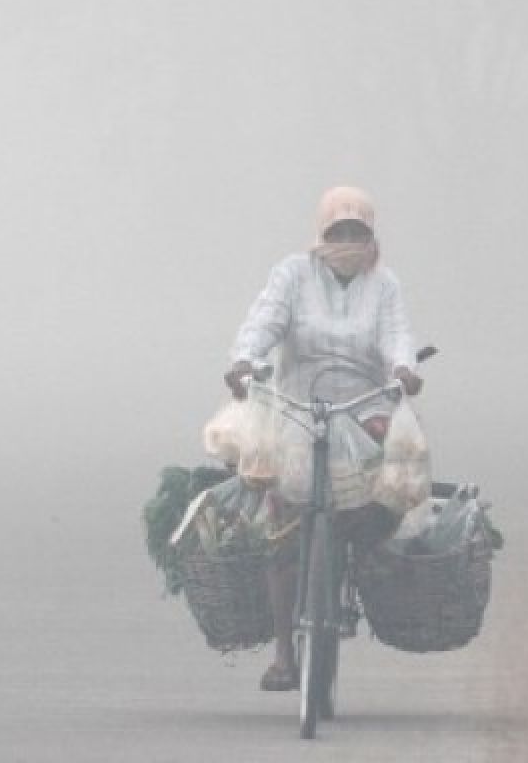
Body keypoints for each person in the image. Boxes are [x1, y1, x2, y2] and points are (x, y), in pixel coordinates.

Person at [223, 185, 424, 691]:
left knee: (387, 494)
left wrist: (403, 368)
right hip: (296, 405)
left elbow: (398, 335)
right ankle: (284, 654)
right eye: (340, 232)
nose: (349, 241)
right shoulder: (293, 274)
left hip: (363, 407)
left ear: (372, 236)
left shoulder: (384, 285)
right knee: (285, 524)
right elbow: (263, 323)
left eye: (359, 232)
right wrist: (245, 361)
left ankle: (362, 562)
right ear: (322, 233)